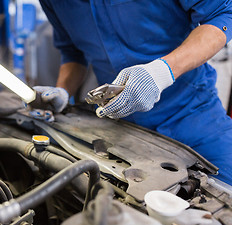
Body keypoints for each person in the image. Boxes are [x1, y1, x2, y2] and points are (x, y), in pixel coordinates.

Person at [29, 0, 232, 185]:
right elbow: (72, 52)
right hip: (119, 130)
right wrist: (63, 91)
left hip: (193, 118)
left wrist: (161, 72)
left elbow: (224, 14)